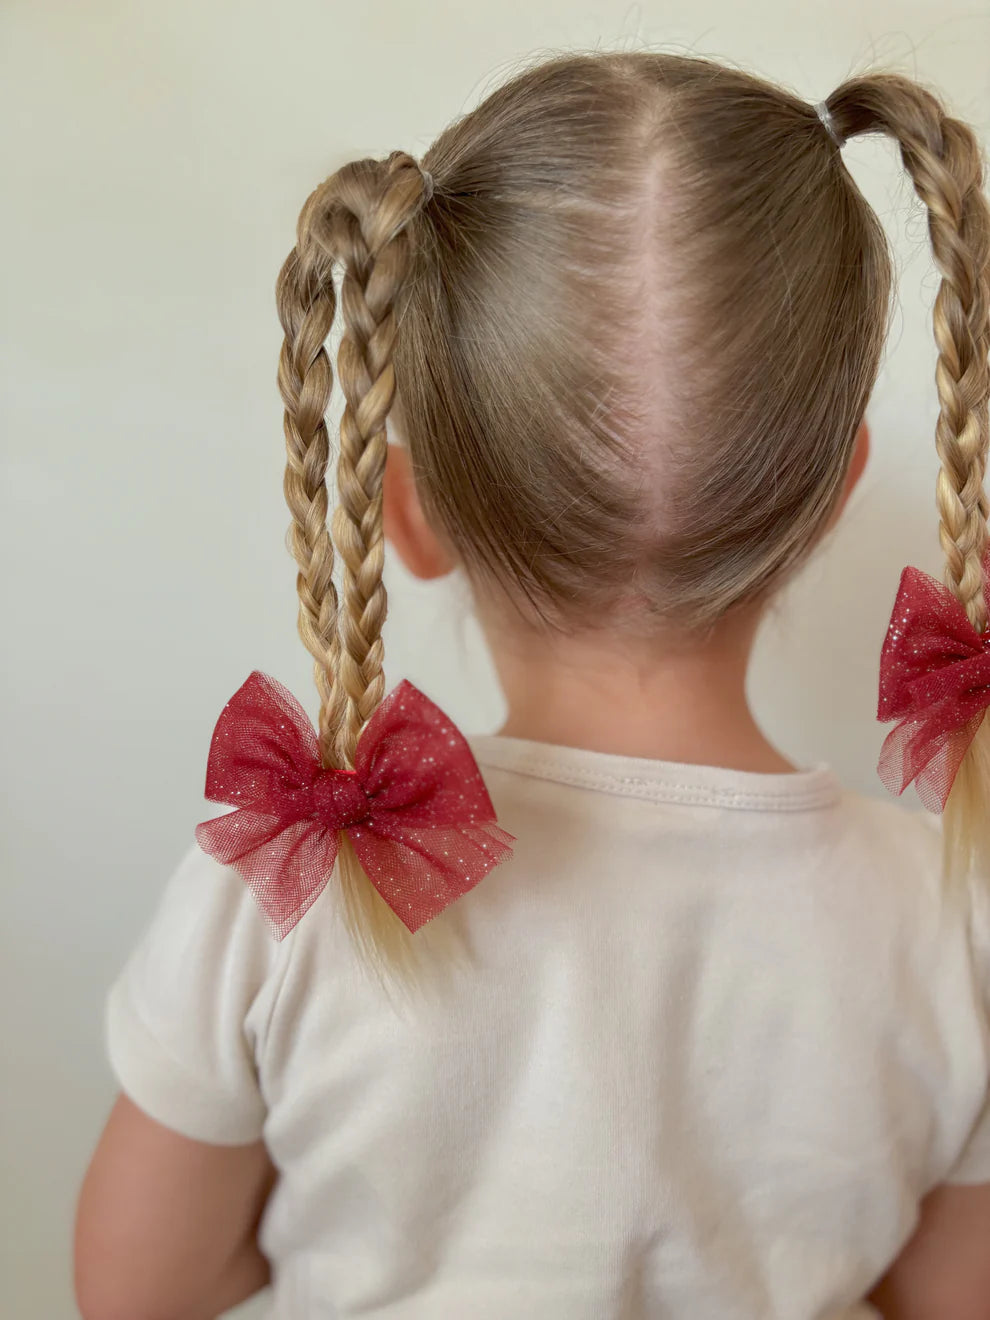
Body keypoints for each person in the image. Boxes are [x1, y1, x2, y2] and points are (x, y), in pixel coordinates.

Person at [74, 49, 990, 1320]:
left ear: (402, 514)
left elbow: (139, 1291)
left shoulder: (287, 884)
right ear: (832, 500)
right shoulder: (950, 923)